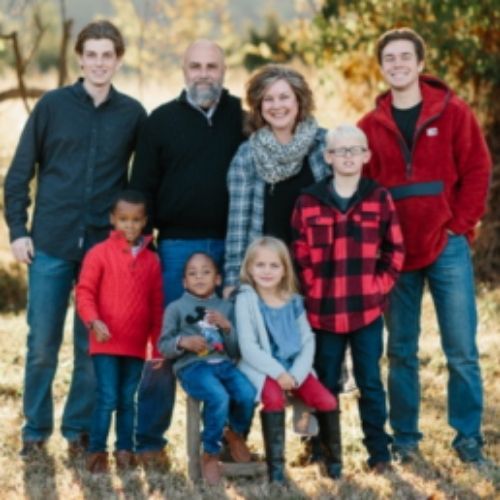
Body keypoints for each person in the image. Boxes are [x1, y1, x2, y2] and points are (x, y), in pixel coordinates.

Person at [3, 20, 146, 457]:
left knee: (92, 344)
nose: (100, 63)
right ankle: (35, 431)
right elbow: (18, 173)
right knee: (42, 343)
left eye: (108, 55)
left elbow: (143, 180)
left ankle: (79, 430)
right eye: (93, 54)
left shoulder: (132, 114)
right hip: (49, 242)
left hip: (104, 251)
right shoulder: (51, 106)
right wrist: (18, 231)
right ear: (80, 58)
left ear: (117, 61)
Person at [358, 27, 491, 464]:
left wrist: (460, 225)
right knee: (400, 351)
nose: (397, 64)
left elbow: (477, 168)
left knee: (462, 351)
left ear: (419, 63)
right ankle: (407, 441)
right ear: (382, 68)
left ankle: (468, 439)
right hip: (396, 252)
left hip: (447, 245)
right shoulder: (369, 126)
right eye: (389, 59)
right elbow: (362, 186)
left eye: (404, 57)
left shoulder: (452, 112)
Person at [129, 39, 245, 466]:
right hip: (176, 247)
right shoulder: (160, 121)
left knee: (233, 341)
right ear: (183, 69)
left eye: (211, 66)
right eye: (195, 65)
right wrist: (147, 247)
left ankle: (232, 437)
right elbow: (141, 187)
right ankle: (149, 444)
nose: (203, 73)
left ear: (224, 69)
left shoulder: (243, 119)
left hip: (233, 249)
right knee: (166, 343)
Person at [291, 125, 405, 475]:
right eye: (340, 151)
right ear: (328, 157)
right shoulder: (309, 201)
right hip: (323, 313)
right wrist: (314, 290)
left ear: (366, 156)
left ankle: (379, 454)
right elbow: (300, 254)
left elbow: (395, 250)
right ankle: (327, 454)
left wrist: (377, 288)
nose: (348, 156)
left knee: (370, 381)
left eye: (355, 150)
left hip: (366, 311)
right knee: (325, 382)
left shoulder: (379, 198)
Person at [235, 236, 339, 484]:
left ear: (284, 270)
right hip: (262, 368)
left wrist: (296, 374)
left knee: (326, 400)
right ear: (249, 268)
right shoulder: (246, 299)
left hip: (294, 369)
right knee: (273, 398)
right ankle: (277, 472)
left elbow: (307, 340)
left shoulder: (293, 300)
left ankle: (333, 464)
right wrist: (277, 373)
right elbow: (248, 347)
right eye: (260, 265)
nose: (267, 271)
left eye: (274, 265)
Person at [223, 64, 331, 296]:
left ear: (298, 101)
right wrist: (233, 279)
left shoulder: (325, 146)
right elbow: (237, 225)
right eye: (268, 99)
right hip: (268, 277)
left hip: (320, 269)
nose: (277, 106)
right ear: (259, 107)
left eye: (284, 97)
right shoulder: (247, 154)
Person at [75, 190, 163, 473]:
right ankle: (96, 452)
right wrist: (93, 321)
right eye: (123, 219)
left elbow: (156, 306)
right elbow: (85, 293)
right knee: (108, 397)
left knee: (128, 400)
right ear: (112, 219)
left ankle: (125, 451)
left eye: (136, 220)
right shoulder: (98, 254)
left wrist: (157, 346)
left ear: (145, 221)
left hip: (135, 345)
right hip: (105, 341)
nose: (129, 225)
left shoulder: (151, 261)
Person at [158, 252, 256, 486]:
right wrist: (183, 342)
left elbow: (234, 351)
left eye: (206, 272)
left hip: (223, 364)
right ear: (184, 282)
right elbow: (163, 345)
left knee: (247, 393)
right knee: (218, 396)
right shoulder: (176, 308)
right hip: (193, 368)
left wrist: (227, 327)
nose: (199, 277)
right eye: (192, 273)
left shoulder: (225, 307)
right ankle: (210, 452)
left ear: (218, 279)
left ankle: (233, 432)